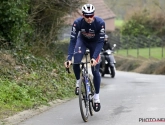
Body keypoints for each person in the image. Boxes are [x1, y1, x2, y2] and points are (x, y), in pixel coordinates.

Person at [64, 4, 105, 112]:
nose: (89, 18)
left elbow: (101, 42)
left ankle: (96, 97)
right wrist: (69, 58)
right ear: (83, 15)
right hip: (82, 41)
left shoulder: (100, 23)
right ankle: (78, 81)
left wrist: (94, 57)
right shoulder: (77, 23)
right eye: (87, 16)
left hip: (95, 44)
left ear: (94, 14)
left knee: (95, 70)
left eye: (91, 15)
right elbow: (73, 41)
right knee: (76, 61)